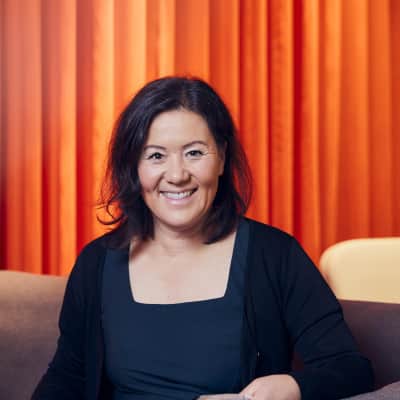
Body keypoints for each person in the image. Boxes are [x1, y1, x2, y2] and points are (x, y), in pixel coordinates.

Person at [32, 77, 374, 400]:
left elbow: (350, 368)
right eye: (156, 156)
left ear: (222, 157)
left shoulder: (275, 255)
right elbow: (67, 377)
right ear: (134, 167)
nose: (177, 175)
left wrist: (292, 386)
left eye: (194, 153)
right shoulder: (96, 262)